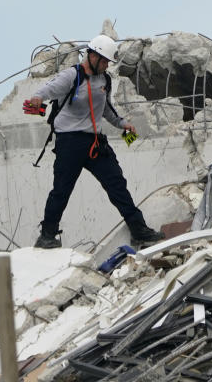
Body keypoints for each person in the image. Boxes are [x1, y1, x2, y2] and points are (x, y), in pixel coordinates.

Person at [24, 34, 164, 249]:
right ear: (92, 56)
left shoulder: (104, 79)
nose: (107, 65)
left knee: (117, 184)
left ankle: (139, 230)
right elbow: (47, 90)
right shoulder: (71, 76)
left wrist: (122, 124)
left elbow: (105, 108)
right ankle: (47, 236)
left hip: (95, 143)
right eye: (105, 60)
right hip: (69, 142)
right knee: (61, 190)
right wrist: (36, 100)